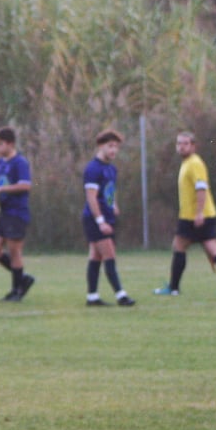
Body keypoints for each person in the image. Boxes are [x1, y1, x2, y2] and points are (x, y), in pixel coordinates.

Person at [156, 130, 216, 297]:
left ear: (193, 146)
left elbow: (201, 188)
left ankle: (174, 288)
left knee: (182, 246)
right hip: (193, 215)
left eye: (185, 144)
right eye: (179, 143)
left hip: (196, 216)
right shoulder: (187, 163)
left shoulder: (195, 163)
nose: (181, 147)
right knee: (208, 248)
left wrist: (199, 213)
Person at [82, 129, 136, 307]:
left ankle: (92, 297)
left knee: (96, 257)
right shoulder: (92, 168)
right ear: (100, 146)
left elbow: (110, 190)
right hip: (95, 219)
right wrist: (100, 221)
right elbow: (91, 197)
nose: (113, 150)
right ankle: (121, 295)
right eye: (110, 146)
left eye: (116, 147)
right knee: (109, 254)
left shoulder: (112, 169)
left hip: (107, 217)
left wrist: (114, 205)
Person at [0, 126, 36, 302]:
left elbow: (25, 185)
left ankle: (17, 291)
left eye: (0, 144)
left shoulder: (20, 162)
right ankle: (23, 279)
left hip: (17, 213)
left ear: (10, 144)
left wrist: (2, 189)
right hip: (3, 212)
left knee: (15, 252)